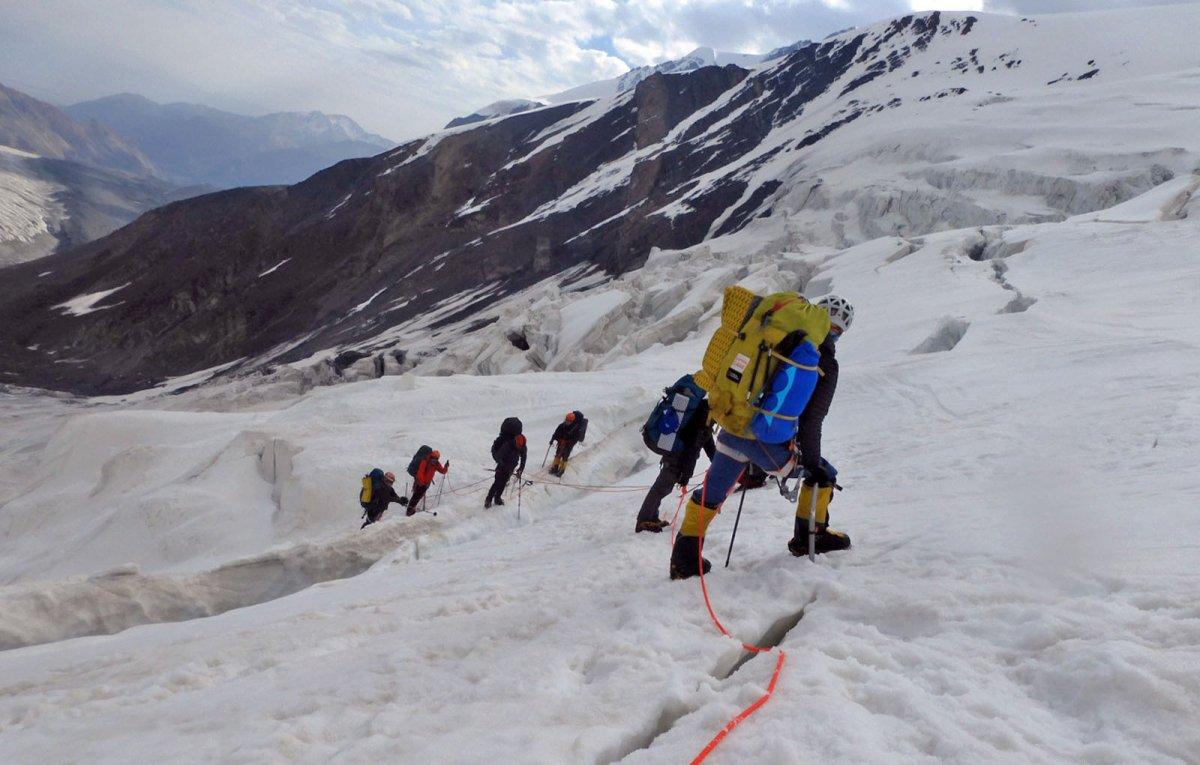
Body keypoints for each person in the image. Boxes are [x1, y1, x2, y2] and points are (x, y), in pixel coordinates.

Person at [669, 294, 854, 579]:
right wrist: (813, 461)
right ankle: (808, 538)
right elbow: (812, 420)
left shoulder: (774, 339)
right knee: (823, 475)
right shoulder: (823, 362)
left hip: (733, 426)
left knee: (713, 491)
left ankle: (684, 559)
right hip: (763, 440)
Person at [636, 397, 715, 533]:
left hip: (677, 456)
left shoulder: (704, 414)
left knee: (664, 488)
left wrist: (719, 463)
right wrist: (686, 473)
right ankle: (643, 520)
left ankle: (652, 517)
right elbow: (692, 447)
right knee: (661, 487)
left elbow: (708, 443)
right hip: (677, 457)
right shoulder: (703, 419)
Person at [487, 432, 527, 508]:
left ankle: (497, 498)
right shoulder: (508, 445)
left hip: (510, 468)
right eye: (519, 446)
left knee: (503, 483)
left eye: (521, 447)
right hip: (501, 468)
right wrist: (503, 465)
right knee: (497, 483)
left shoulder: (523, 446)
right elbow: (498, 457)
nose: (519, 448)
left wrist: (521, 469)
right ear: (516, 441)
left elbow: (523, 458)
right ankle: (488, 500)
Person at [408, 449, 449, 515]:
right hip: (420, 482)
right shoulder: (425, 461)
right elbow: (420, 472)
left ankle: (411, 507)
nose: (434, 461)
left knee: (418, 495)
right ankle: (409, 510)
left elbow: (442, 471)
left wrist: (446, 467)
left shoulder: (436, 464)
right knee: (416, 495)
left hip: (426, 484)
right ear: (431, 457)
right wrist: (422, 482)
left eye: (436, 459)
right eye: (433, 459)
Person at [548, 410, 587, 477]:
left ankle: (562, 470)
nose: (566, 422)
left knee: (565, 456)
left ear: (572, 421)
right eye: (566, 420)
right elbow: (556, 433)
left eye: (568, 421)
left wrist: (568, 443)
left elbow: (575, 439)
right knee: (558, 454)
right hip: (561, 442)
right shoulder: (561, 426)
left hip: (569, 444)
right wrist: (552, 440)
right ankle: (555, 467)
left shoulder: (576, 429)